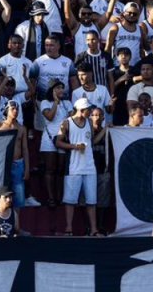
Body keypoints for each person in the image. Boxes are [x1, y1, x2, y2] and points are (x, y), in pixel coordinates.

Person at [55, 98, 100, 237]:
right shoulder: (66, 123)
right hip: (73, 167)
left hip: (89, 166)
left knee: (91, 201)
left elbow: (91, 141)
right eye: (88, 109)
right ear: (81, 110)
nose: (90, 112)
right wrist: (74, 146)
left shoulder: (89, 122)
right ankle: (69, 229)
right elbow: (58, 142)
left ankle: (94, 230)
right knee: (70, 201)